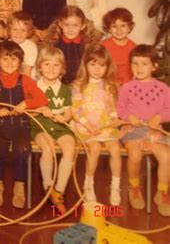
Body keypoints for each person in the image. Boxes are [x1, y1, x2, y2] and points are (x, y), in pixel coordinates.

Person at [0, 41, 47, 209]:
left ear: (20, 62)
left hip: (21, 127)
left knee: (22, 149)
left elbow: (42, 99)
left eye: (14, 59)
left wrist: (25, 103)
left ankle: (19, 187)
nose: (9, 63)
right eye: (5, 59)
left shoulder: (26, 81)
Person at [117, 45, 170, 216]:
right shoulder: (126, 87)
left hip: (153, 130)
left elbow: (169, 109)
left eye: (144, 64)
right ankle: (134, 187)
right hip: (132, 129)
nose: (139, 68)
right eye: (135, 64)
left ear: (154, 66)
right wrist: (129, 117)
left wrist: (159, 118)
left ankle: (162, 192)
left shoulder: (163, 89)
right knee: (135, 155)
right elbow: (120, 109)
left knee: (167, 156)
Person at [70, 45, 122, 205]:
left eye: (101, 65)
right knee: (95, 149)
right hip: (85, 126)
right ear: (85, 65)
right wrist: (88, 126)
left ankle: (115, 187)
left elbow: (112, 107)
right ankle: (89, 183)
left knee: (115, 149)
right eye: (93, 64)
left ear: (107, 67)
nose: (97, 69)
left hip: (104, 125)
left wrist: (114, 118)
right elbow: (76, 110)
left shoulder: (109, 85)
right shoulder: (79, 85)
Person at [30, 46, 75, 215]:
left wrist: (65, 117)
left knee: (69, 147)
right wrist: (40, 109)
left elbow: (68, 112)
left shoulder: (64, 89)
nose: (51, 69)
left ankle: (59, 190)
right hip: (40, 126)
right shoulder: (33, 87)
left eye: (56, 65)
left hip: (60, 127)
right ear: (39, 67)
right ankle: (48, 186)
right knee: (47, 149)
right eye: (47, 64)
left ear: (62, 69)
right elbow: (28, 111)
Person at [42, 5, 102, 84]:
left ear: (82, 26)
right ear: (60, 24)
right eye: (66, 25)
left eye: (75, 25)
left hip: (82, 82)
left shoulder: (88, 44)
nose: (70, 29)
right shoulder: (54, 43)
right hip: (59, 83)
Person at [101, 7, 136, 84]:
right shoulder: (103, 46)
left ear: (129, 28)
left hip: (128, 84)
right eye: (114, 26)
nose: (119, 30)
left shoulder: (134, 47)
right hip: (108, 84)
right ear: (109, 29)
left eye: (123, 26)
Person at [7, 11, 37, 78]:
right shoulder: (5, 45)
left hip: (28, 79)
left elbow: (27, 71)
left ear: (28, 32)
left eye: (23, 30)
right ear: (9, 30)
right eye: (15, 29)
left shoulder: (31, 47)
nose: (18, 33)